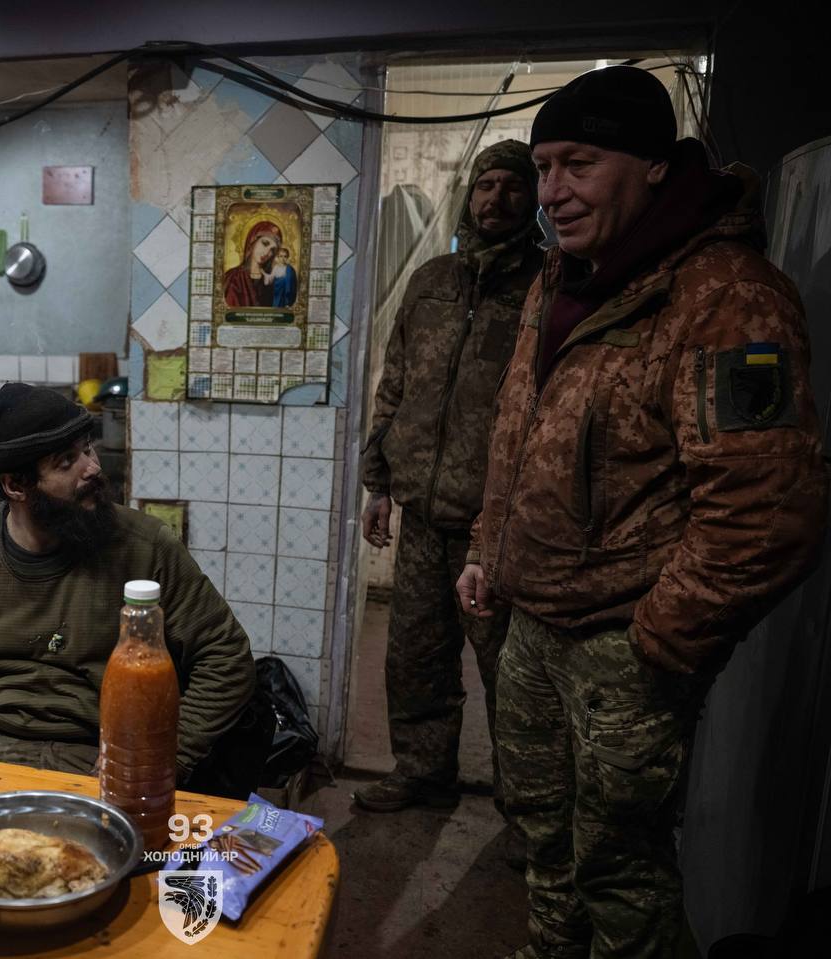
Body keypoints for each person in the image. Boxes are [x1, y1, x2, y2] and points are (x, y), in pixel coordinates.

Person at [456, 66, 828, 958]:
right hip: (531, 621)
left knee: (619, 865)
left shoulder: (725, 297)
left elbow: (767, 512)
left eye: (578, 164)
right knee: (542, 831)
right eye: (544, 167)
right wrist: (486, 549)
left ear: (656, 164)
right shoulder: (561, 278)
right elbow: (518, 428)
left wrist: (654, 639)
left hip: (622, 642)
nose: (553, 191)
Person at [0, 383, 257, 784]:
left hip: (112, 758)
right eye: (66, 462)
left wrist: (164, 754)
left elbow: (226, 657)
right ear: (15, 485)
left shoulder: (145, 547)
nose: (92, 468)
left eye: (88, 449)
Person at [355, 140, 542, 813]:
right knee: (415, 655)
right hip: (422, 519)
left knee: (507, 673)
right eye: (486, 185)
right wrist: (379, 485)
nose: (497, 199)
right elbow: (395, 384)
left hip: (495, 528)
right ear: (470, 194)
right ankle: (423, 772)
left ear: (533, 197)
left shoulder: (545, 288)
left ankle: (526, 813)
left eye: (513, 186)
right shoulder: (431, 281)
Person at [223, 220, 282, 307]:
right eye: (265, 243)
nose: (267, 252)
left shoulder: (271, 280)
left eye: (272, 250)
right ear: (252, 241)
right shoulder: (233, 277)